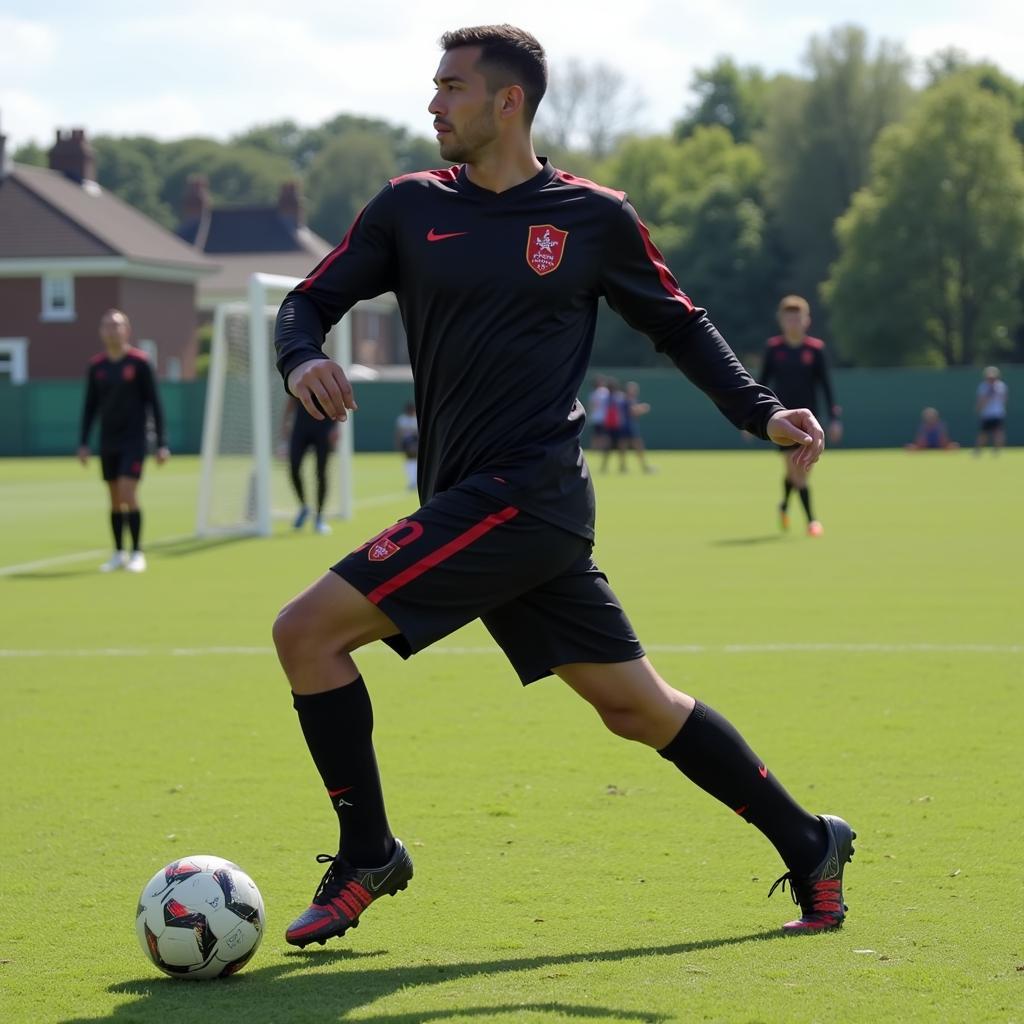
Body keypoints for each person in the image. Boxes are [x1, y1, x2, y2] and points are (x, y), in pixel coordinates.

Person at [272, 24, 854, 950]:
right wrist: (301, 354)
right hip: (473, 504)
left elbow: (680, 324)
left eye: (452, 88)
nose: (433, 103)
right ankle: (811, 839)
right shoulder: (408, 208)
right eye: (433, 86)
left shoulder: (592, 217)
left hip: (528, 492)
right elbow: (309, 298)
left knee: (304, 632)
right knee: (637, 707)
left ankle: (368, 852)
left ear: (510, 102)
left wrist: (759, 410)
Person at [78, 309, 168, 572]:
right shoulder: (97, 366)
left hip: (135, 440)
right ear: (101, 332)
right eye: (107, 325)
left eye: (117, 325)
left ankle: (137, 553)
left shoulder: (140, 362)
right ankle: (118, 553)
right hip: (109, 441)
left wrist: (162, 443)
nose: (112, 330)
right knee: (115, 497)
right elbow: (89, 406)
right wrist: (83, 442)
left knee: (129, 491)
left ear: (127, 330)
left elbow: (155, 404)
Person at [759, 296, 842, 537]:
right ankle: (812, 521)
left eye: (798, 318)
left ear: (806, 321)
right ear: (781, 321)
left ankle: (784, 505)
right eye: (789, 318)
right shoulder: (774, 349)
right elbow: (761, 384)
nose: (793, 323)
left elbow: (827, 387)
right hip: (781, 421)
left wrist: (834, 419)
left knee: (799, 472)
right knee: (796, 471)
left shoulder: (815, 350)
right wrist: (749, 417)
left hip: (809, 423)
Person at [282, 396, 338, 534]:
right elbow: (290, 401)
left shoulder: (328, 376)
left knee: (321, 472)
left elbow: (337, 400)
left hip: (324, 426)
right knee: (293, 467)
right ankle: (304, 506)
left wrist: (336, 427)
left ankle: (319, 516)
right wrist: (284, 425)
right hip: (301, 427)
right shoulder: (299, 375)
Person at [974, 366, 1008, 455]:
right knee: (983, 433)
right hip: (986, 414)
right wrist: (979, 407)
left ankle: (997, 451)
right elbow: (981, 400)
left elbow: (1003, 399)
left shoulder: (1001, 386)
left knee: (998, 433)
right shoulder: (983, 386)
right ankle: (978, 450)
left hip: (997, 413)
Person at [394, 402, 419, 490]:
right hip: (407, 443)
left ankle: (415, 482)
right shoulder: (402, 419)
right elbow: (399, 433)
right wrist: (399, 443)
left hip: (415, 442)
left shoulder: (417, 418)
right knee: (409, 462)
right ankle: (412, 482)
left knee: (416, 462)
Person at [587, 376, 611, 453]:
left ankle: (596, 449)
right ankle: (601, 449)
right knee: (601, 434)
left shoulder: (594, 393)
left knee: (597, 434)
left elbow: (592, 406)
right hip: (604, 417)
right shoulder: (606, 392)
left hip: (598, 417)